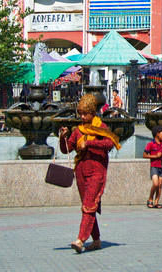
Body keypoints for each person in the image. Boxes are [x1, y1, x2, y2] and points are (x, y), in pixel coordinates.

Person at [58, 93, 121, 253]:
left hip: (97, 171)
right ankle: (97, 240)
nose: (82, 116)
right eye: (80, 113)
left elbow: (110, 142)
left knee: (88, 205)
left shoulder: (101, 127)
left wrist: (89, 143)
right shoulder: (78, 130)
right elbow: (67, 149)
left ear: (93, 112)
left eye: (85, 113)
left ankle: (80, 240)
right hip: (80, 171)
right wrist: (62, 138)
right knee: (89, 206)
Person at [144, 126, 162, 208]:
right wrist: (155, 156)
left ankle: (156, 202)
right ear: (157, 134)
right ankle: (150, 198)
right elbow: (144, 155)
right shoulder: (151, 144)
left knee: (160, 184)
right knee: (155, 183)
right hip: (154, 166)